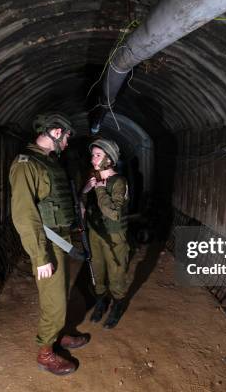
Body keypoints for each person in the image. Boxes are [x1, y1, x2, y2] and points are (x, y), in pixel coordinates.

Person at [9, 113, 88, 376]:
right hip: (46, 243)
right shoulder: (26, 164)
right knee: (53, 300)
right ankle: (45, 352)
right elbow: (24, 214)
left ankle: (59, 334)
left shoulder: (48, 162)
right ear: (55, 132)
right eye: (65, 137)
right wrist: (39, 256)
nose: (66, 143)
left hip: (60, 238)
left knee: (61, 293)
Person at [81, 138, 130, 329]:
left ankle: (117, 305)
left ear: (109, 159)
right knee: (97, 271)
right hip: (95, 233)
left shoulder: (119, 181)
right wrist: (86, 189)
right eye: (93, 154)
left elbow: (114, 213)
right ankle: (101, 302)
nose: (93, 159)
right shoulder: (94, 178)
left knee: (116, 273)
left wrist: (100, 190)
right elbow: (84, 203)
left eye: (98, 155)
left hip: (114, 236)